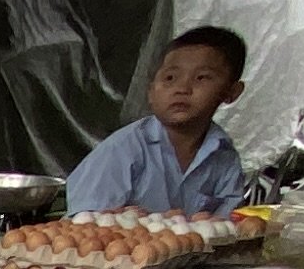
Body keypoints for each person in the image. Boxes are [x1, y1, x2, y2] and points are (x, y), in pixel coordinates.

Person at [67, 27, 253, 214]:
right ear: (151, 92)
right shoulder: (123, 150)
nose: (182, 88)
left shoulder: (223, 156)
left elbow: (227, 228)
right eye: (170, 78)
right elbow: (81, 227)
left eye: (201, 77)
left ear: (232, 92)